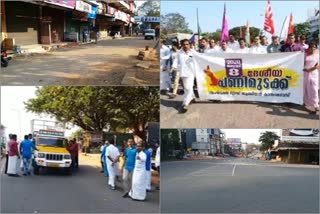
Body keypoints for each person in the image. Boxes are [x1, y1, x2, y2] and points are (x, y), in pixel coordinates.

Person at [172, 39, 197, 112]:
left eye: (187, 44)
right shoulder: (179, 52)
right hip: (183, 73)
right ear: (182, 45)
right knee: (187, 87)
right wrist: (173, 67)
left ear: (189, 45)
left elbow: (199, 59)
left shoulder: (193, 52)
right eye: (184, 44)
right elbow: (176, 61)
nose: (186, 46)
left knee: (188, 87)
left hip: (191, 72)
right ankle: (192, 98)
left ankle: (185, 103)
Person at [303, 42, 319, 113]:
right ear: (309, 48)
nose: (313, 48)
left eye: (314, 47)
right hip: (305, 73)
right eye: (311, 47)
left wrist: (310, 69)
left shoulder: (317, 55)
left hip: (313, 74)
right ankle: (307, 103)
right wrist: (304, 69)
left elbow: (318, 65)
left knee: (314, 89)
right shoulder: (305, 55)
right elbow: (301, 63)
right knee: (306, 89)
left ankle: (316, 105)